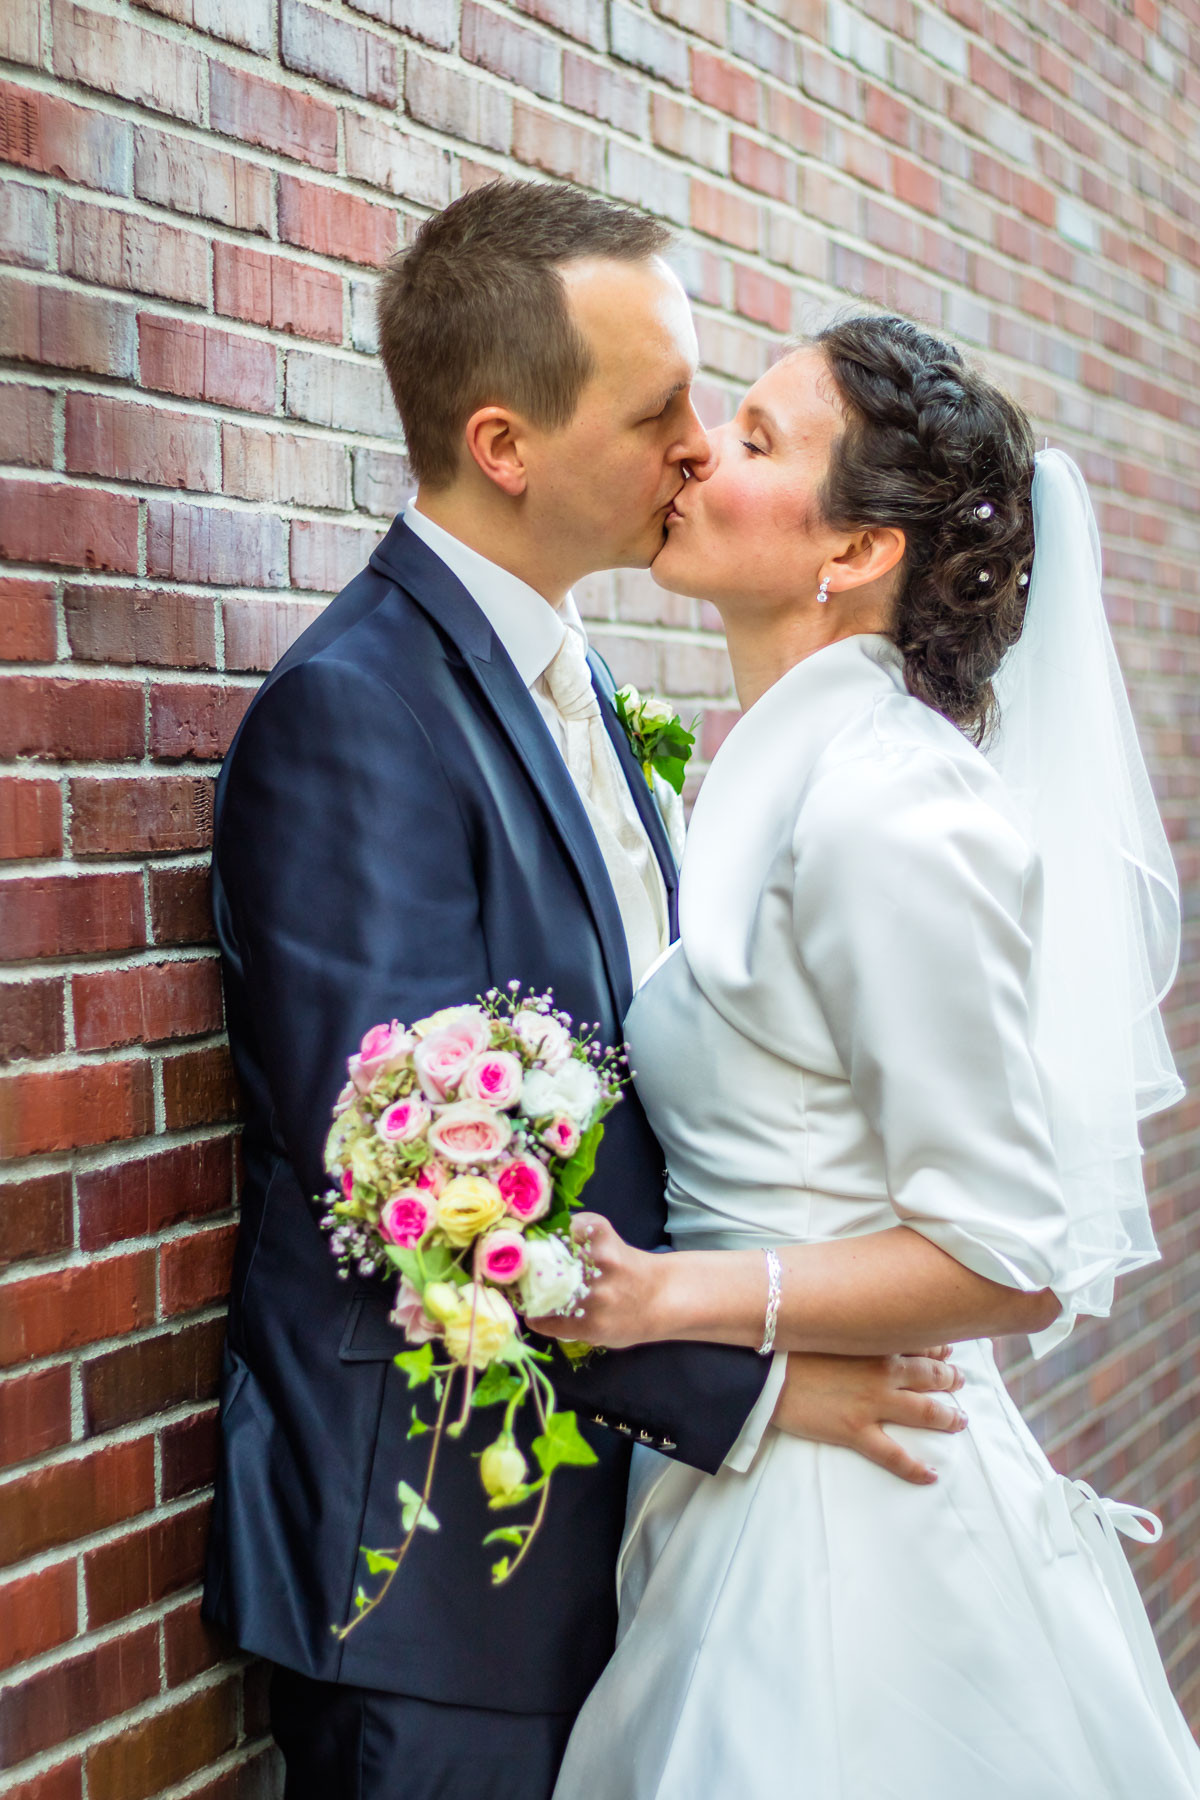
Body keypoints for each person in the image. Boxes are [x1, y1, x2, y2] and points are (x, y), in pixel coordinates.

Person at [201, 186, 969, 1800]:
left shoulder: (583, 681)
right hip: (442, 1585)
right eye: (661, 410)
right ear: (505, 446)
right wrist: (753, 1382)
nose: (701, 445)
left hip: (614, 1540)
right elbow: (414, 1192)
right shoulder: (354, 720)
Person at [539, 314, 1199, 1799]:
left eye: (762, 442)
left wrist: (670, 1303)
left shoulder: (898, 811)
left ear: (854, 557)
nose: (704, 448)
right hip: (748, 1473)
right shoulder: (773, 777)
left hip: (852, 1525)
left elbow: (1010, 1247)